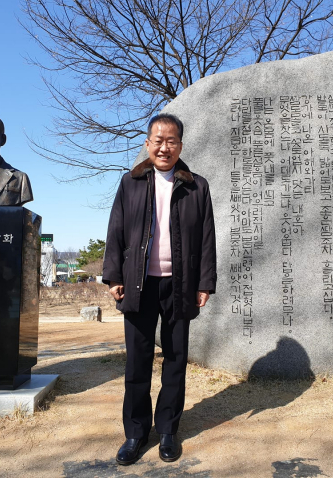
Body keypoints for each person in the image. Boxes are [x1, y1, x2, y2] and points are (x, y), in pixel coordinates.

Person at [103, 113, 217, 465]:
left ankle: (167, 429)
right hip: (139, 284)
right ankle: (135, 433)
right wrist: (113, 276)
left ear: (181, 145)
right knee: (137, 361)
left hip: (179, 285)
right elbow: (116, 232)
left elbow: (207, 238)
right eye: (158, 140)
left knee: (175, 358)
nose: (164, 147)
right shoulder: (131, 182)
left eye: (171, 141)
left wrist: (204, 282)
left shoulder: (197, 185)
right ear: (148, 143)